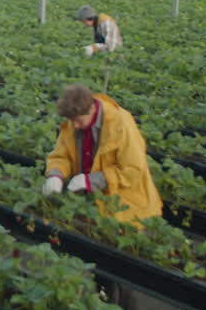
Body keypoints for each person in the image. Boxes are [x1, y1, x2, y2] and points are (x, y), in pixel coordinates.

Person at [40, 84, 162, 225]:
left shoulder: (121, 124)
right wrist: (56, 175)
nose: (75, 126)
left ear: (91, 109)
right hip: (88, 200)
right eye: (71, 121)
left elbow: (133, 169)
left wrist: (91, 180)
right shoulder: (74, 119)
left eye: (78, 121)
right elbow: (61, 156)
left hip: (125, 203)